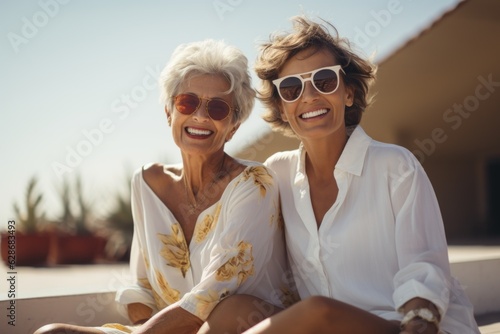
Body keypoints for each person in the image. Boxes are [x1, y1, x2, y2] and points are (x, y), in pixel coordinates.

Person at [35, 39, 295, 334]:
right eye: (187, 102)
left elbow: (217, 291)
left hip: (234, 328)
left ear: (233, 126)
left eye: (218, 108)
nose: (199, 116)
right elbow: (141, 287)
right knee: (51, 332)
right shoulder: (146, 183)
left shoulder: (254, 183)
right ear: (169, 112)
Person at [246, 16, 480, 334]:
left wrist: (418, 324)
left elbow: (423, 266)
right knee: (232, 309)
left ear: (349, 93)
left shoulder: (395, 165)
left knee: (318, 311)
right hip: (328, 328)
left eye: (324, 80)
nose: (310, 95)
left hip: (408, 326)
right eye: (291, 88)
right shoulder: (277, 174)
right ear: (283, 107)